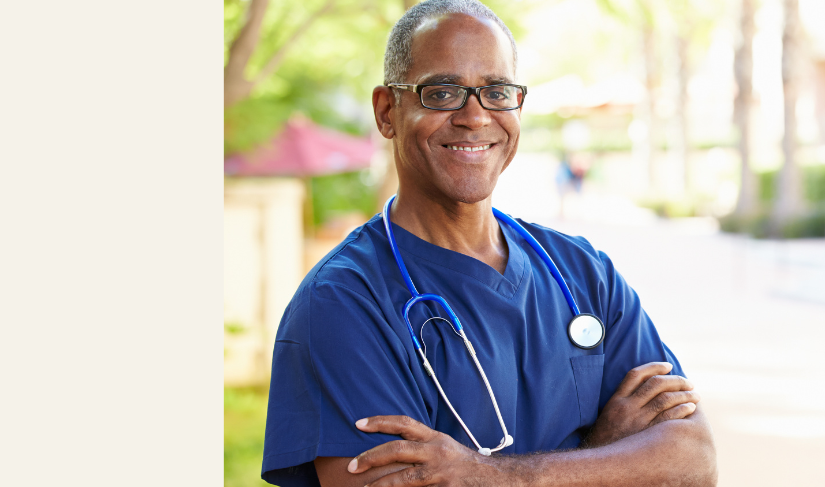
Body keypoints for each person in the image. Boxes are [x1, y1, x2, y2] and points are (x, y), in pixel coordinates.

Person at [260, 1, 716, 486]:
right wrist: (606, 454)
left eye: (496, 91)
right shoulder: (344, 304)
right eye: (442, 92)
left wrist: (487, 475)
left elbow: (692, 463)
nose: (475, 116)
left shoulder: (585, 275)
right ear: (387, 110)